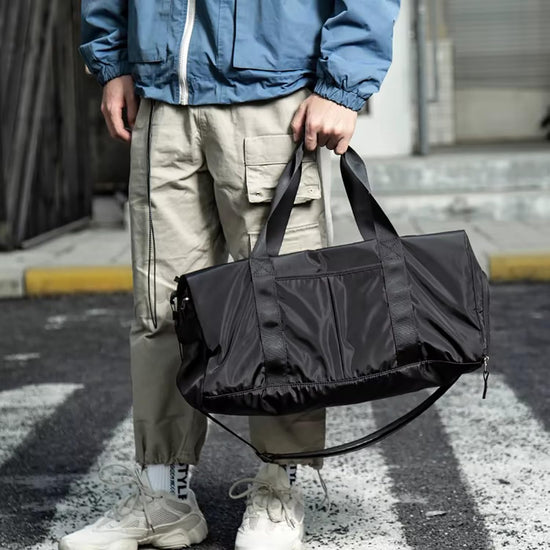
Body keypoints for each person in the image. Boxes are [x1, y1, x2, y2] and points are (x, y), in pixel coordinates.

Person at [60, 1, 400, 549]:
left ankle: (279, 486)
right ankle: (163, 496)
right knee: (161, 310)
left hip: (272, 99)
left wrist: (343, 85)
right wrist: (112, 60)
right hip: (163, 100)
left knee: (285, 310)